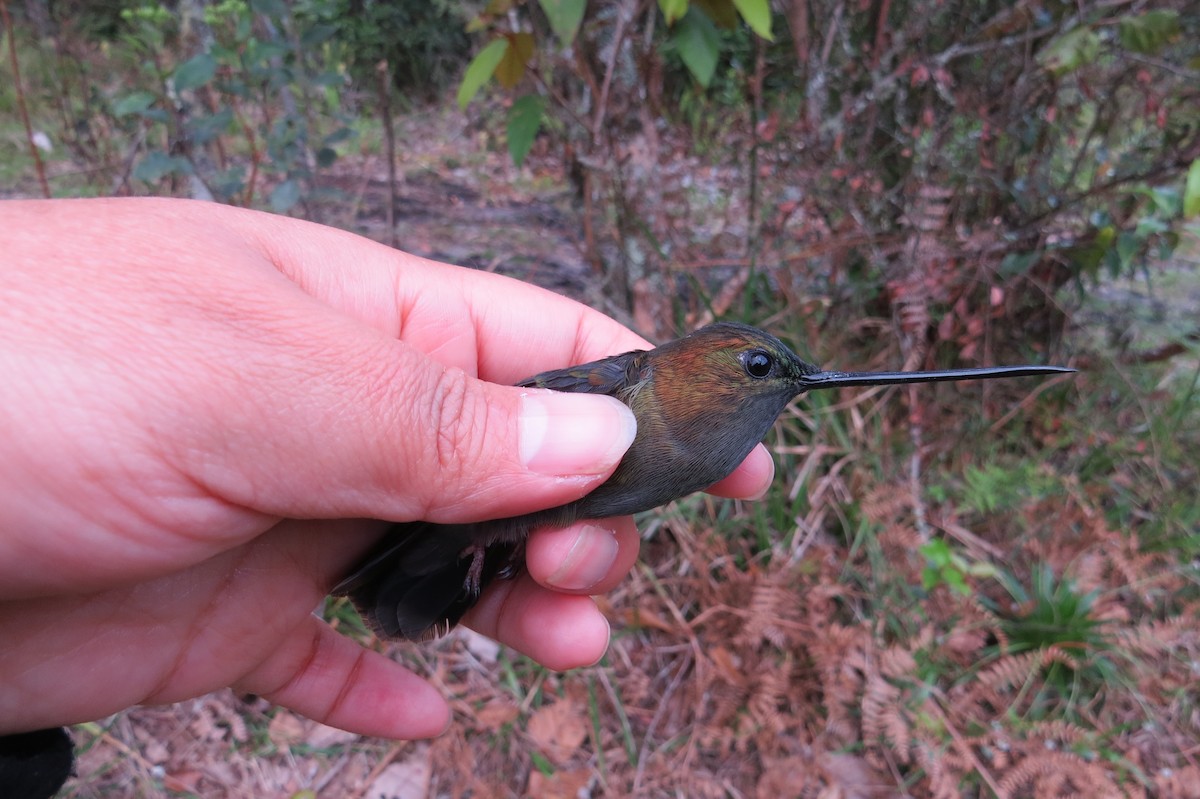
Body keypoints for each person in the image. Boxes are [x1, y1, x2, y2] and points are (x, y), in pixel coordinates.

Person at [0, 198, 774, 742]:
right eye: (759, 366)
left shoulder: (709, 449)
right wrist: (468, 431)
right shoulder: (631, 385)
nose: (767, 379)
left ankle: (444, 556)